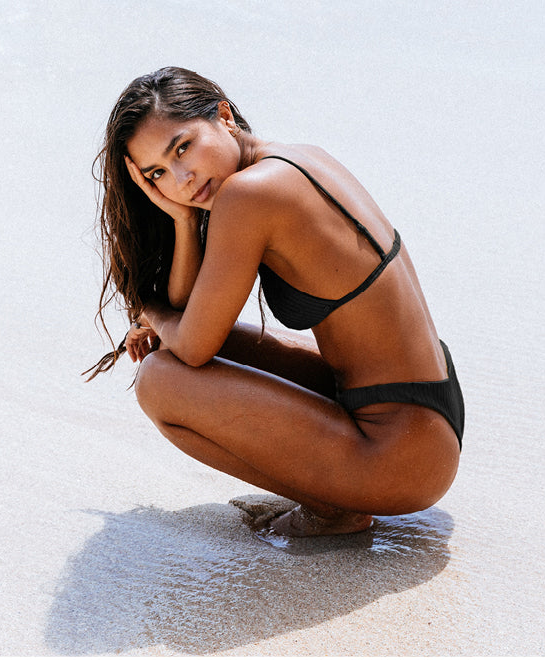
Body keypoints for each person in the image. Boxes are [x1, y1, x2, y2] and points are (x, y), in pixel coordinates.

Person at [84, 67, 463, 537]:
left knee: (159, 381)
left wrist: (151, 313)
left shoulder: (248, 194)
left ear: (223, 115)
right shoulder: (293, 158)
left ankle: (333, 508)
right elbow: (191, 319)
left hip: (402, 452)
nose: (181, 178)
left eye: (182, 147)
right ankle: (339, 497)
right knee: (172, 351)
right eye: (158, 174)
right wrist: (184, 222)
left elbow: (192, 345)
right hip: (420, 417)